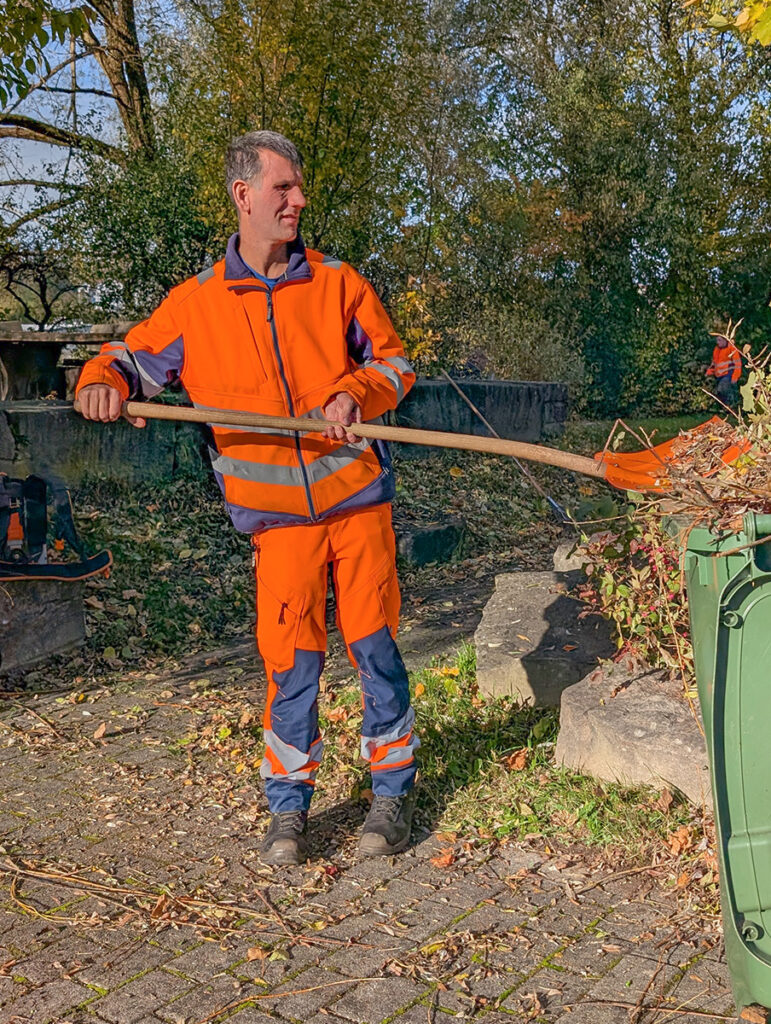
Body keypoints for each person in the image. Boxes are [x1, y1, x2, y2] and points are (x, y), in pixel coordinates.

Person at [76, 130, 419, 866]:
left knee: (374, 650)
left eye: (298, 188)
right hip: (278, 527)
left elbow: (395, 364)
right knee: (290, 664)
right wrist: (101, 384)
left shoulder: (338, 283)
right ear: (244, 195)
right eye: (284, 188)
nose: (298, 200)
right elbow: (125, 361)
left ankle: (391, 794)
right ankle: (288, 810)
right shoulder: (195, 305)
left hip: (358, 505)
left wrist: (355, 391)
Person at [706, 329, 742, 409]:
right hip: (719, 375)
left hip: (728, 374)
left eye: (719, 340)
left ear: (725, 340)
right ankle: (726, 407)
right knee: (720, 391)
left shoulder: (732, 349)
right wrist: (709, 371)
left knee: (722, 389)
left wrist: (735, 377)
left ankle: (729, 407)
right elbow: (714, 363)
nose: (717, 342)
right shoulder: (717, 349)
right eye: (717, 340)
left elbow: (738, 364)